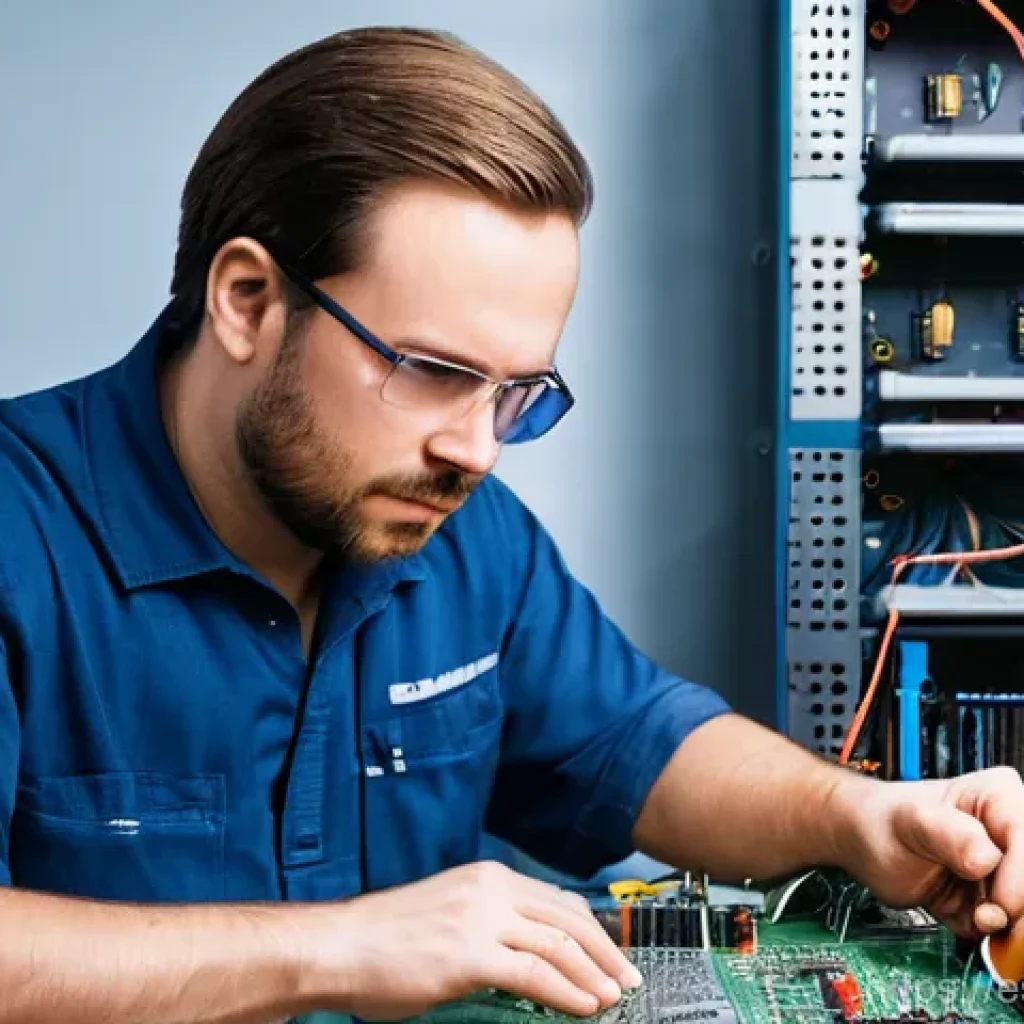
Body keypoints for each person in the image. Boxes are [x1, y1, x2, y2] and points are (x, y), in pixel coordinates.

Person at [0, 24, 1022, 1024]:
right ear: (247, 299)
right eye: (434, 372)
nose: (477, 451)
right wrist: (338, 947)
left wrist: (857, 815)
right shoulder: (21, 532)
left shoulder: (459, 533)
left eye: (514, 393)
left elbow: (641, 745)